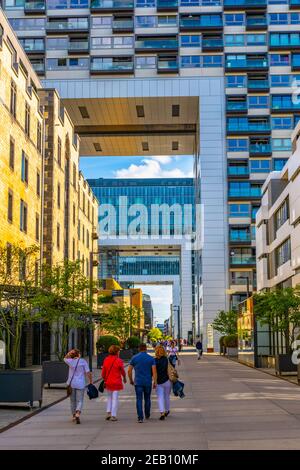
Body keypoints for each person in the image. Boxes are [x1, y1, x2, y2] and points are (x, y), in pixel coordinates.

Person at [128, 343, 157, 423]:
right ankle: (147, 414)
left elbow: (129, 370)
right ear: (146, 349)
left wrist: (131, 380)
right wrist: (155, 381)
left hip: (138, 382)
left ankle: (140, 417)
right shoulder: (151, 358)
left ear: (139, 349)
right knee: (147, 398)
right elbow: (154, 372)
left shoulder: (134, 358)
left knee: (139, 399)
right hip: (148, 382)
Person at [64, 348, 92, 424]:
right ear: (79, 354)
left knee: (72, 401)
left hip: (72, 383)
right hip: (80, 383)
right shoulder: (83, 361)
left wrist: (69, 353)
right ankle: (77, 413)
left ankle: (73, 415)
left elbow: (65, 358)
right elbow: (88, 372)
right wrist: (90, 381)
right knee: (80, 400)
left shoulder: (69, 361)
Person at [102, 344, 126, 422]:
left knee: (109, 398)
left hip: (108, 382)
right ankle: (113, 415)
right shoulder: (119, 361)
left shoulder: (106, 359)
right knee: (115, 398)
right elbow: (122, 371)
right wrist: (124, 378)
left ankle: (108, 412)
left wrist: (105, 379)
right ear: (117, 352)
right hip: (116, 382)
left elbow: (103, 372)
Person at [155, 345, 172, 421]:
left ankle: (162, 412)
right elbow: (169, 371)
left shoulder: (154, 360)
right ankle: (167, 410)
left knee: (160, 397)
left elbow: (154, 373)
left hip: (159, 382)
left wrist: (154, 382)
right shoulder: (166, 359)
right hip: (167, 381)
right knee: (167, 397)